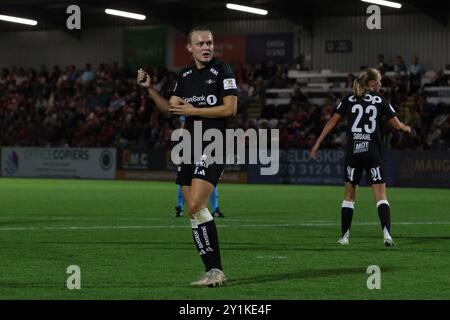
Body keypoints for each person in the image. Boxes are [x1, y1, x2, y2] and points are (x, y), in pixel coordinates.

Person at [137, 27, 237, 287]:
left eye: (210, 42)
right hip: (190, 145)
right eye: (201, 43)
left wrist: (195, 109)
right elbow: (171, 108)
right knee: (193, 213)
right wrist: (150, 89)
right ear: (189, 48)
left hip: (214, 144)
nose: (207, 47)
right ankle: (211, 271)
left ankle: (216, 270)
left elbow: (230, 108)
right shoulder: (185, 75)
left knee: (195, 205)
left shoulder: (223, 70)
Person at [310, 68, 411, 247]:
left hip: (354, 153)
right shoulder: (380, 100)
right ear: (372, 83)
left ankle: (344, 237)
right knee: (380, 196)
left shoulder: (348, 99)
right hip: (373, 153)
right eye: (379, 80)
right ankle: (387, 235)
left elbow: (331, 122)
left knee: (349, 196)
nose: (380, 83)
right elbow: (396, 125)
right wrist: (405, 127)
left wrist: (317, 143)